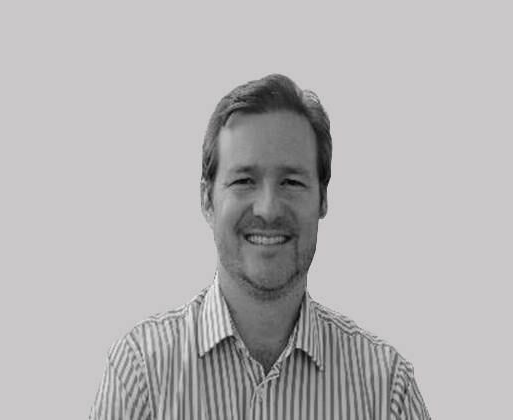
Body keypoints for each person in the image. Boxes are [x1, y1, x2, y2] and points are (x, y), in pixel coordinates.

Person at [90, 74, 431, 419]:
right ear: (207, 199)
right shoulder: (141, 374)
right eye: (244, 181)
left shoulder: (386, 389)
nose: (268, 209)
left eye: (291, 182)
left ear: (323, 199)